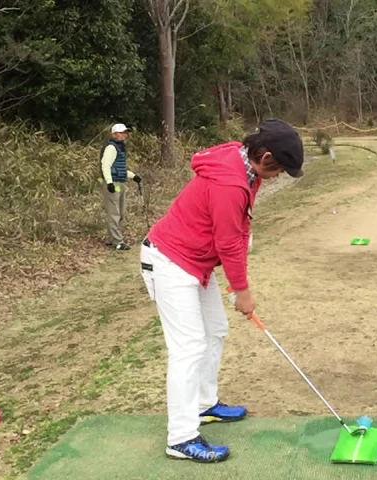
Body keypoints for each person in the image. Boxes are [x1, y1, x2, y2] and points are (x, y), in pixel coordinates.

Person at [139, 119, 304, 463]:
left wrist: (234, 279)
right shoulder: (231, 182)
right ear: (267, 156)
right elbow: (227, 241)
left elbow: (239, 226)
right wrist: (242, 290)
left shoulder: (246, 165)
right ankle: (180, 437)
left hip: (195, 262)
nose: (279, 176)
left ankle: (203, 405)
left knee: (215, 330)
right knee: (188, 348)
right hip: (170, 261)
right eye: (281, 169)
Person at [100, 123, 141, 250]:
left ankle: (110, 238)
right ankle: (118, 242)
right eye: (121, 132)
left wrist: (133, 176)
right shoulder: (111, 148)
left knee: (120, 212)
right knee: (115, 213)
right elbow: (105, 165)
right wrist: (109, 183)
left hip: (120, 182)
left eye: (125, 133)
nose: (124, 135)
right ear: (114, 134)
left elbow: (120, 168)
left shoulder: (120, 148)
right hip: (114, 184)